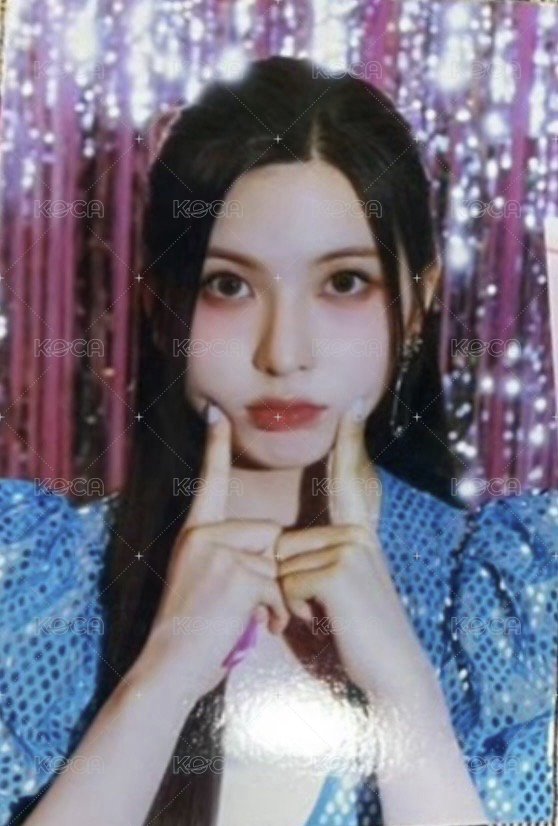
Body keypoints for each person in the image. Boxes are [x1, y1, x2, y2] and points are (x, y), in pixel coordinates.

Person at [0, 55, 556, 826]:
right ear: (162, 310)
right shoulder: (36, 590)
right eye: (229, 286)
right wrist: (159, 679)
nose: (284, 352)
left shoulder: (507, 606)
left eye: (344, 283)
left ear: (419, 303)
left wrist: (407, 694)